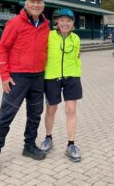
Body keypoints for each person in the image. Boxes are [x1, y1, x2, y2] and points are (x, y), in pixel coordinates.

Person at [0, 0, 50, 176]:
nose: (36, 5)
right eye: (32, 2)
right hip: (18, 78)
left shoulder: (46, 25)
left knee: (35, 114)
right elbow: (2, 50)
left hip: (38, 77)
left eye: (39, 2)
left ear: (43, 6)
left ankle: (29, 146)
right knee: (6, 116)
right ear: (26, 4)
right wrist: (4, 76)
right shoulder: (15, 23)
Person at [40, 8, 83, 162]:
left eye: (69, 20)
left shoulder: (76, 38)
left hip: (72, 77)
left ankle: (71, 144)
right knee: (51, 109)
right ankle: (48, 138)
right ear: (57, 22)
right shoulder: (49, 36)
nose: (65, 23)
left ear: (73, 23)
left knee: (71, 110)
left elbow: (77, 55)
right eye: (62, 20)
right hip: (52, 76)